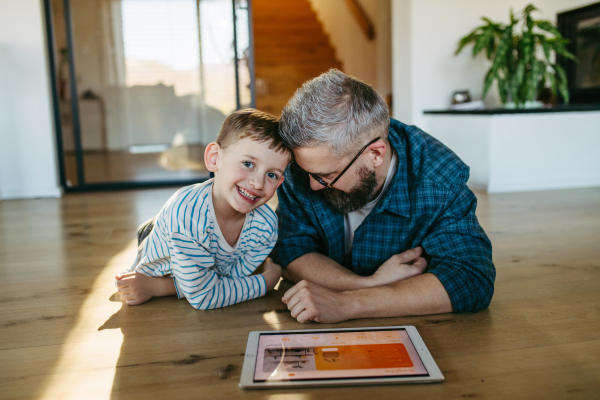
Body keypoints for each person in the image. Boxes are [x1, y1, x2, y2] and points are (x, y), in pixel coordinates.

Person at [272, 69, 495, 323]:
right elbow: (289, 250)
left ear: (375, 154)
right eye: (306, 172)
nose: (312, 186)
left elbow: (471, 277)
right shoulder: (306, 165)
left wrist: (349, 304)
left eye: (328, 175)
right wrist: (367, 284)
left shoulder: (439, 179)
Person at [115, 109, 291, 309]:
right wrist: (267, 282)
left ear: (279, 182)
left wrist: (192, 288)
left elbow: (227, 283)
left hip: (202, 265)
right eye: (248, 163)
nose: (258, 183)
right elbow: (204, 297)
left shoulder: (266, 226)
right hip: (167, 254)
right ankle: (154, 227)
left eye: (272, 175)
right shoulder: (186, 214)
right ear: (214, 158)